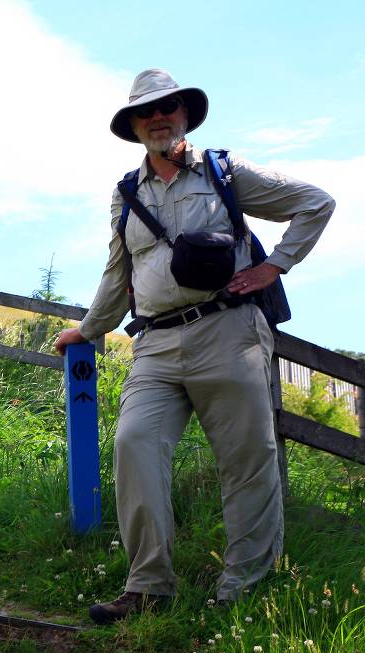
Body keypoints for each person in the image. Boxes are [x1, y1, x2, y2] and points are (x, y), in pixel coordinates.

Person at [54, 69, 335, 624]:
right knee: (134, 445)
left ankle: (244, 589)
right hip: (155, 344)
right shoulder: (126, 193)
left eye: (169, 107)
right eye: (146, 112)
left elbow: (316, 203)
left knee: (247, 462)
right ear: (134, 125)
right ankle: (149, 586)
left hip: (228, 334)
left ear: (185, 114)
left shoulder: (225, 172)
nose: (159, 118)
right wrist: (89, 330)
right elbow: (119, 271)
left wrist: (274, 265)